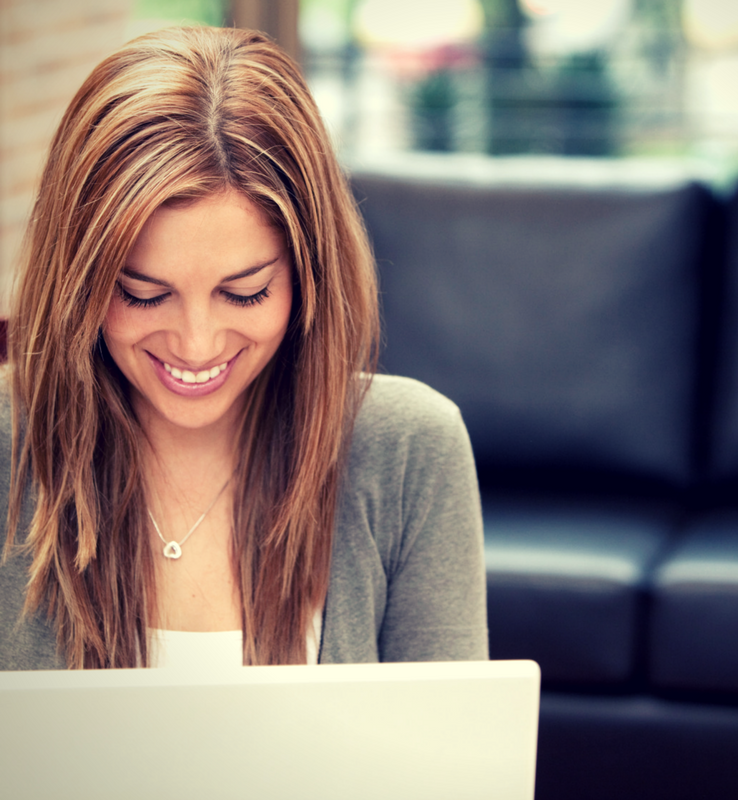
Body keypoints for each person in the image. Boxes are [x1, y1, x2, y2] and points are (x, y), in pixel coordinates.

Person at [0, 26, 486, 670]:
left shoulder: (408, 452)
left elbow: (449, 733)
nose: (196, 344)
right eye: (143, 295)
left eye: (245, 292)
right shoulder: (9, 446)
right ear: (76, 281)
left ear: (310, 273)